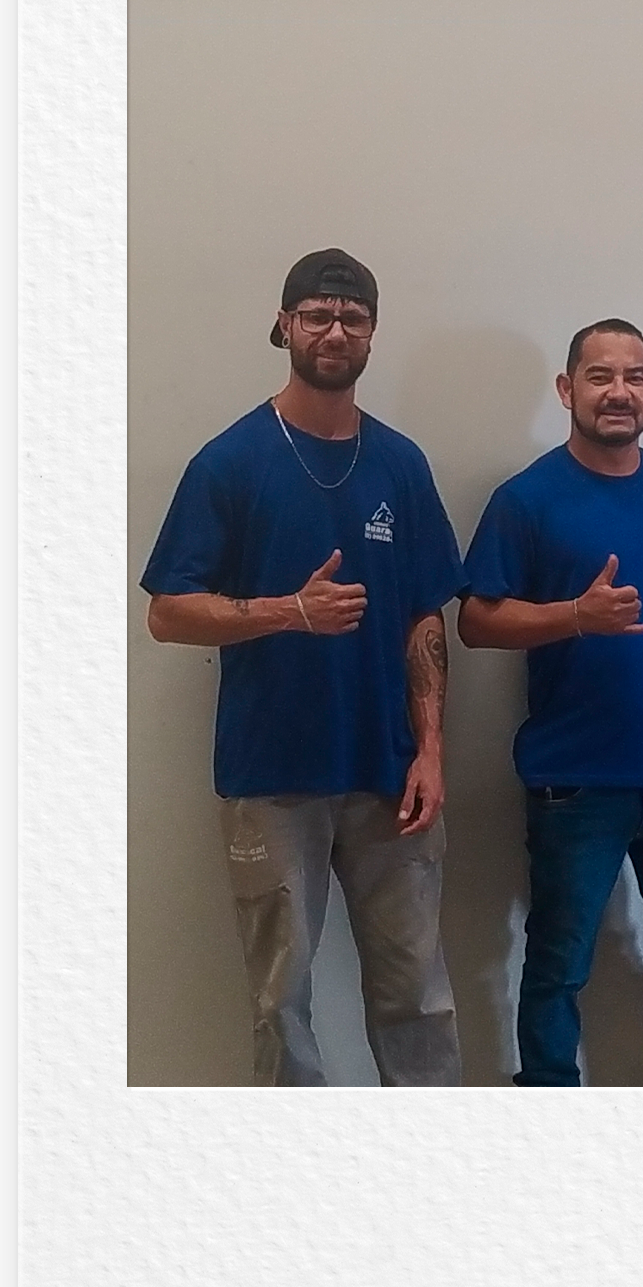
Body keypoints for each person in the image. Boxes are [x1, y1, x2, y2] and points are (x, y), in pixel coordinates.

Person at [141, 248, 467, 1086]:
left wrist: (431, 750)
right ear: (284, 325)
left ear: (373, 334)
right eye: (317, 315)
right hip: (272, 776)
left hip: (389, 774)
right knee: (281, 1002)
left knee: (418, 997)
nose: (334, 331)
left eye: (352, 318)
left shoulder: (401, 464)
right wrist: (289, 610)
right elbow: (168, 611)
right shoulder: (231, 462)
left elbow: (425, 616)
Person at [459, 319, 643, 1087]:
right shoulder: (526, 499)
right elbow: (476, 620)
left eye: (633, 377)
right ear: (568, 390)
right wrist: (573, 616)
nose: (618, 392)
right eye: (600, 376)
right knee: (558, 964)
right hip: (573, 783)